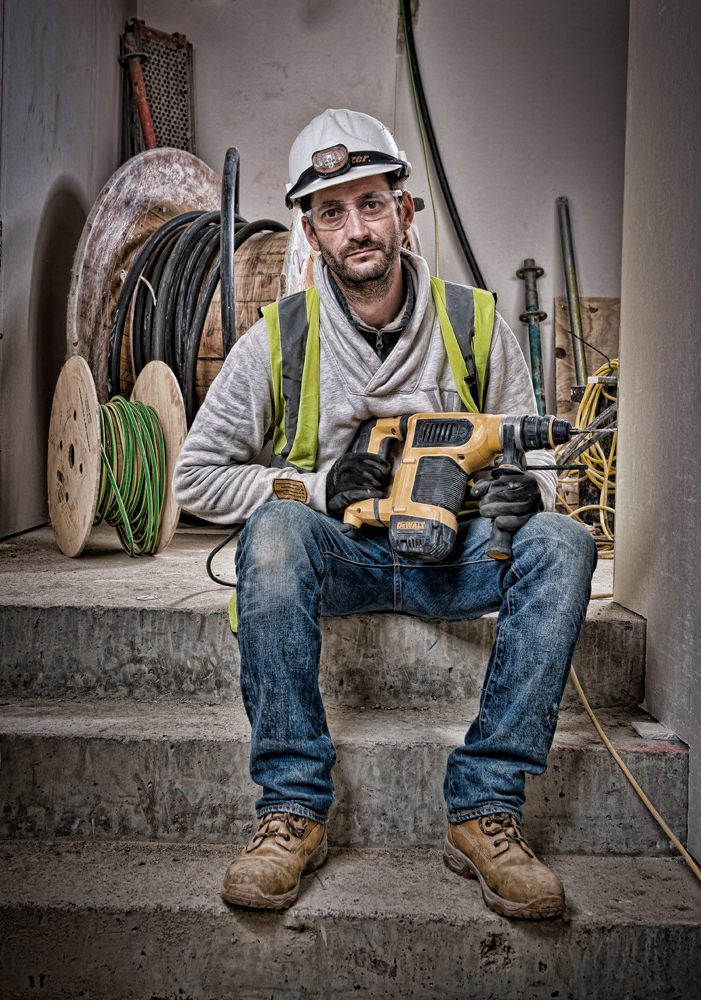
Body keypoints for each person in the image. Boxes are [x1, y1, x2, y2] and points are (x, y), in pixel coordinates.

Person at [173, 108, 597, 920]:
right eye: (331, 211)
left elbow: (533, 453)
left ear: (406, 210)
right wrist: (314, 485)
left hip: (459, 558)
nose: (355, 227)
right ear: (310, 229)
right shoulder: (277, 341)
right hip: (346, 558)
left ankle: (485, 809)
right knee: (273, 536)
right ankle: (292, 810)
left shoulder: (476, 324)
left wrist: (528, 492)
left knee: (564, 541)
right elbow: (196, 477)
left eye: (371, 203)